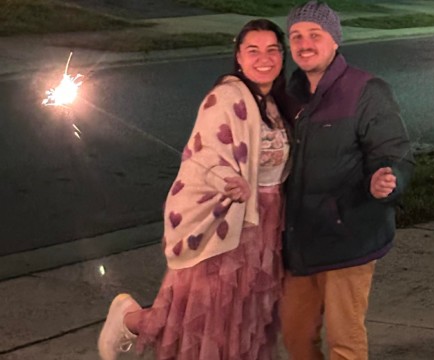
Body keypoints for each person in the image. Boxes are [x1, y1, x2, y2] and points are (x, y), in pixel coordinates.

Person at [97, 18, 291, 360]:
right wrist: (228, 182)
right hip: (229, 222)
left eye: (273, 50)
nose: (264, 58)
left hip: (268, 222)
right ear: (239, 57)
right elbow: (203, 155)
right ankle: (129, 319)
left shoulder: (277, 103)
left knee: (246, 315)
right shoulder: (226, 98)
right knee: (200, 315)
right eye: (253, 50)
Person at [280, 1, 415, 359]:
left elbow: (395, 152)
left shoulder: (366, 90)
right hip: (299, 241)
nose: (304, 44)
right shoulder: (289, 95)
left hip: (348, 237)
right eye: (296, 36)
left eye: (315, 34)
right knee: (295, 336)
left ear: (335, 40)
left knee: (344, 342)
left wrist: (387, 179)